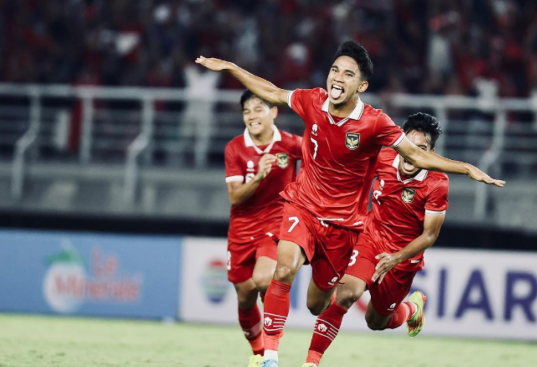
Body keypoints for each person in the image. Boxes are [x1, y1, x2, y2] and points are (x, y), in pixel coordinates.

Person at [197, 40, 505, 367]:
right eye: (334, 70)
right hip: (302, 206)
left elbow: (416, 157)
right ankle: (270, 356)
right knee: (283, 269)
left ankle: (410, 309)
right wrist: (231, 67)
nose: (337, 78)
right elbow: (272, 91)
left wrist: (467, 168)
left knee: (324, 306)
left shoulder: (376, 124)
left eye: (348, 73)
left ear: (362, 85)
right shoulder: (312, 100)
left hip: (343, 228)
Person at [303, 112, 448, 366]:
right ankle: (311, 362)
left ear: (432, 152)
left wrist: (396, 258)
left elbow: (430, 235)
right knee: (346, 294)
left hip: (403, 259)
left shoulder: (437, 182)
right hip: (370, 238)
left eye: (421, 149)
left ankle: (412, 309)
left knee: (376, 321)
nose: (413, 153)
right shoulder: (383, 157)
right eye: (409, 145)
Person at [224, 90, 302, 367]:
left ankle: (271, 355)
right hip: (241, 230)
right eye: (247, 111)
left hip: (275, 225)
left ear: (274, 112)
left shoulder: (292, 144)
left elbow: (322, 157)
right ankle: (259, 355)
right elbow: (234, 197)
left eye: (258, 109)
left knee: (264, 280)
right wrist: (258, 177)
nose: (252, 116)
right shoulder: (235, 148)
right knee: (245, 296)